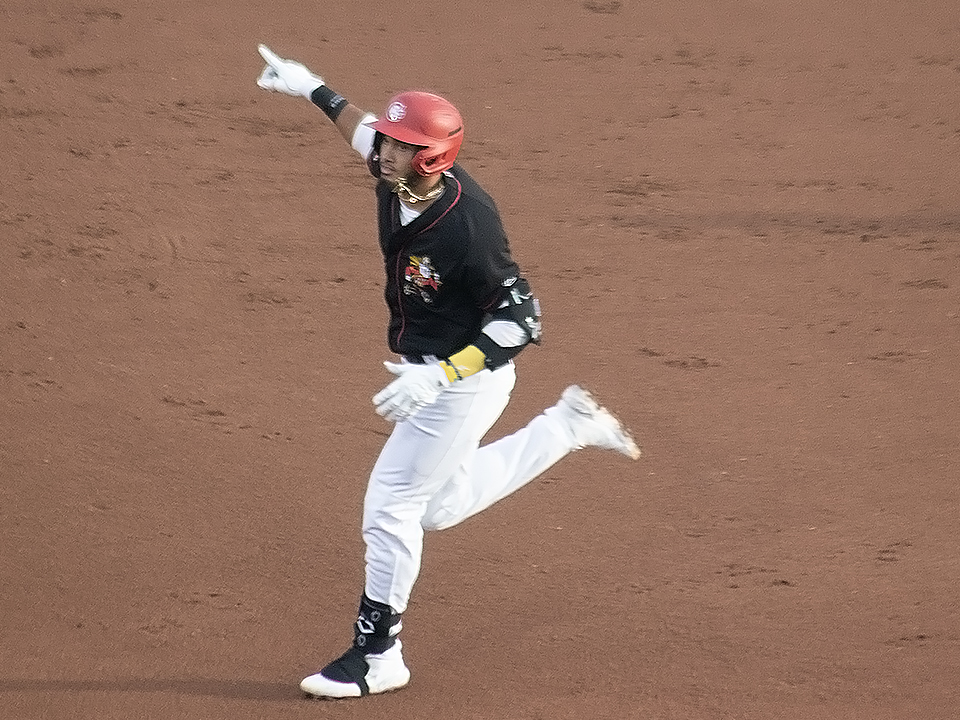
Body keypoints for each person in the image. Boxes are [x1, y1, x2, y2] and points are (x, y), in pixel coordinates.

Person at [255, 44, 642, 700]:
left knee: (390, 509)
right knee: (438, 506)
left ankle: (379, 652)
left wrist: (440, 378)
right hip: (429, 374)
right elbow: (362, 127)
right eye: (388, 144)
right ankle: (567, 428)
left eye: (400, 146)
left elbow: (520, 321)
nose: (384, 150)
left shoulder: (469, 228)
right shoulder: (394, 176)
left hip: (465, 380)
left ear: (430, 158)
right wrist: (311, 87)